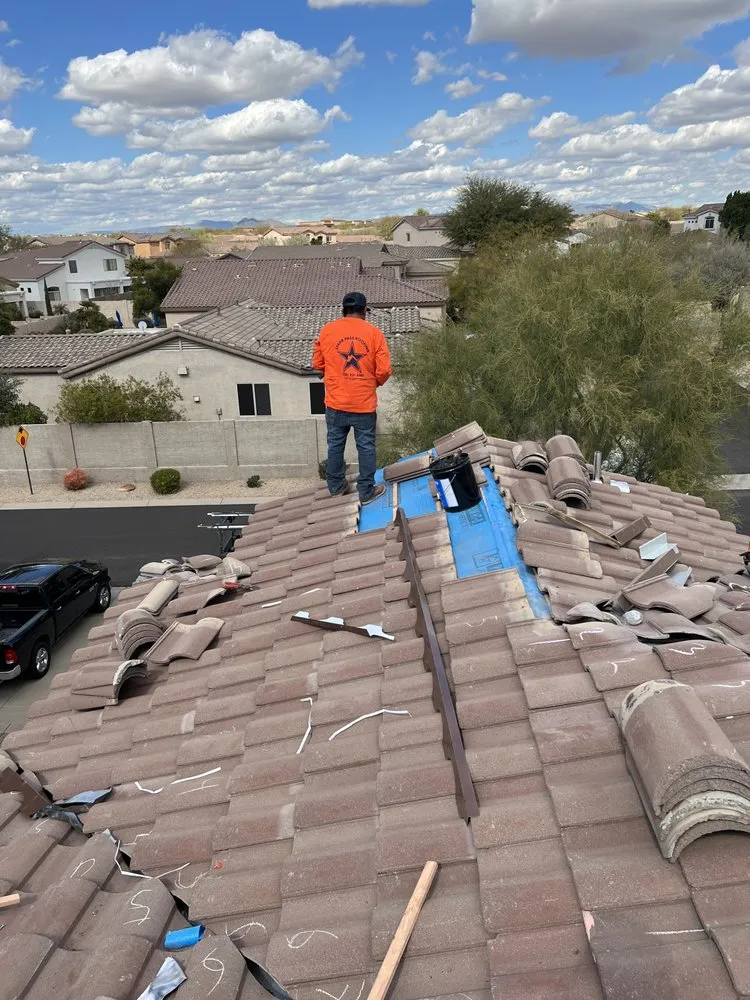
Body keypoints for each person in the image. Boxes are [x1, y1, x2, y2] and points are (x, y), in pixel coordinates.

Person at [313, 291, 392, 504]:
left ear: (343, 311)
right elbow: (384, 370)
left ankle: (336, 487)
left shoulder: (328, 331)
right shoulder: (375, 334)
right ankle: (366, 492)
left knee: (335, 445)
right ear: (365, 311)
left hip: (336, 403)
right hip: (363, 404)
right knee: (366, 447)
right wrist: (371, 382)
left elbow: (318, 364)